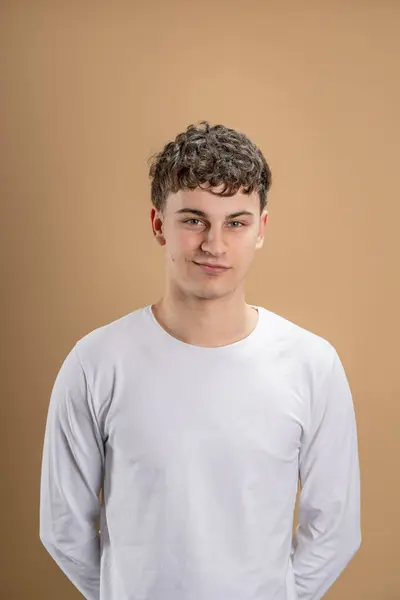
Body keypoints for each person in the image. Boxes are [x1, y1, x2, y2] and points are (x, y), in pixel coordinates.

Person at [39, 121, 361, 600]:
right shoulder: (96, 363)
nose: (214, 243)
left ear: (261, 229)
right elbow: (64, 525)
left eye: (236, 222)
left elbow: (335, 529)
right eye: (193, 220)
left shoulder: (312, 365)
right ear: (158, 224)